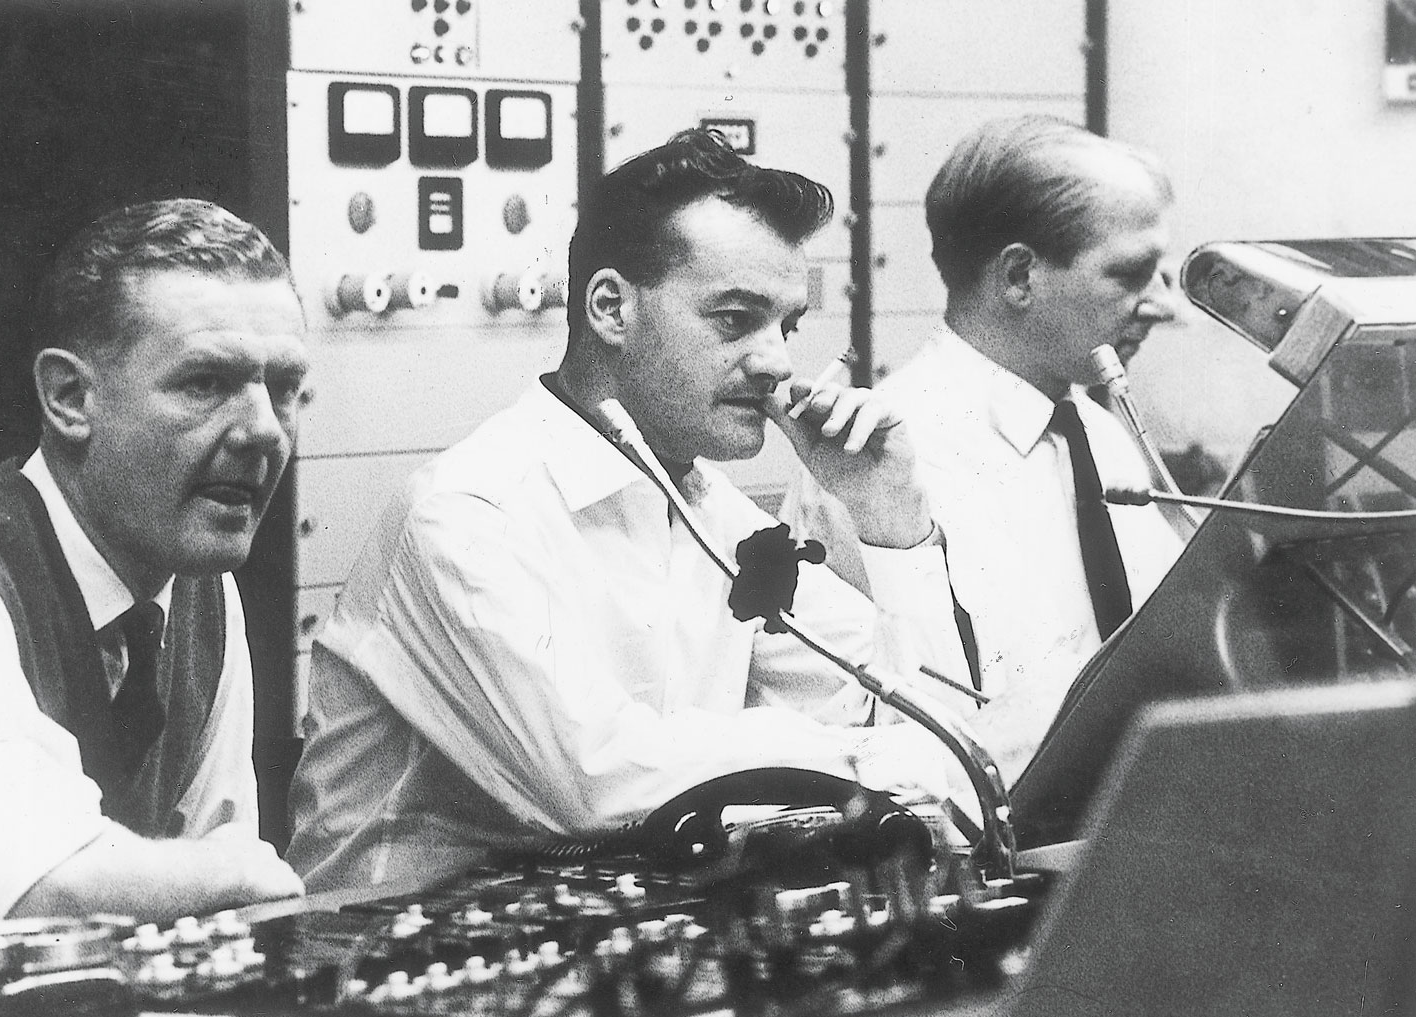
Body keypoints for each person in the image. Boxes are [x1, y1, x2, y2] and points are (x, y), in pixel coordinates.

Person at [287, 129, 974, 892]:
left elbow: (939, 738)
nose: (778, 360)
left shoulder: (717, 512)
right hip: (382, 957)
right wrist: (859, 759)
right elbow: (597, 786)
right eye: (734, 318)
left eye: (787, 325)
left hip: (613, 940)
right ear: (611, 308)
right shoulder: (469, 511)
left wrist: (895, 526)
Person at [0, 199, 308, 954]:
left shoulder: (200, 590)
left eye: (284, 386)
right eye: (205, 382)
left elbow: (215, 902)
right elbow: (29, 886)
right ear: (70, 398)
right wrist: (233, 873)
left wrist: (223, 876)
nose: (264, 427)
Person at [783, 115, 1185, 781]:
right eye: (1133, 273)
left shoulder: (1100, 434)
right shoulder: (872, 464)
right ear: (1020, 276)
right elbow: (866, 733)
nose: (1165, 307)